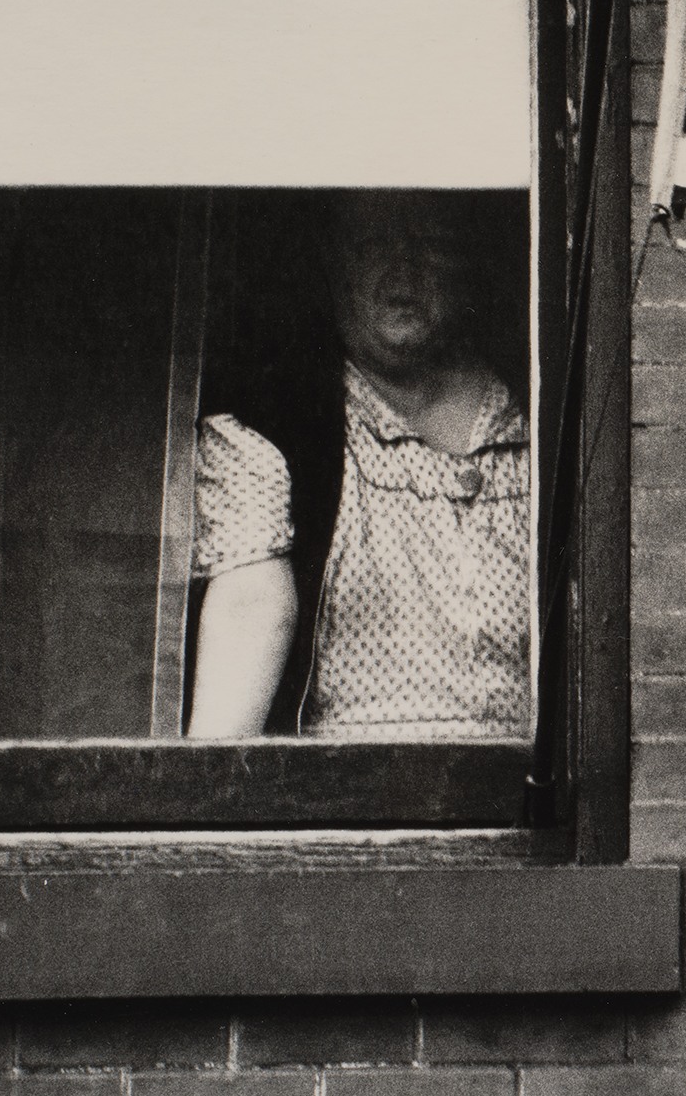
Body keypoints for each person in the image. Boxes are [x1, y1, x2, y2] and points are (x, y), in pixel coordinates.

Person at [185, 196, 531, 740]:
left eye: (432, 245)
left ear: (468, 261)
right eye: (374, 244)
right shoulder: (278, 427)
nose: (403, 269)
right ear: (332, 260)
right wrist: (203, 808)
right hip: (352, 805)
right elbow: (249, 609)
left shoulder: (539, 422)